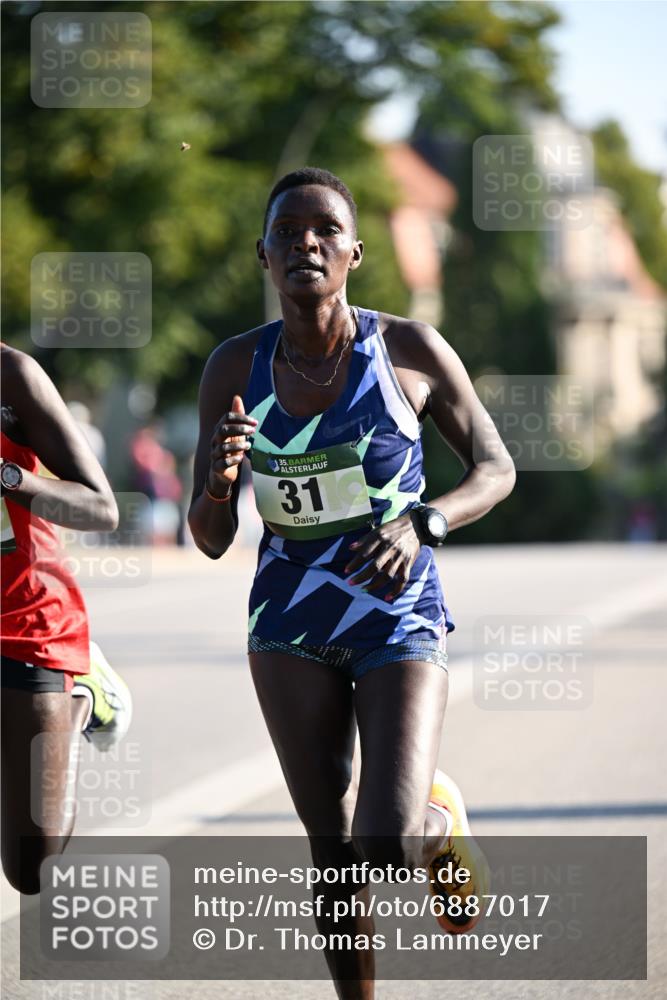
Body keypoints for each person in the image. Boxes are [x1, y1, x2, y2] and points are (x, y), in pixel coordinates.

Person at [188, 168, 515, 998]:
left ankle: (435, 825)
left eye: (324, 229)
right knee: (331, 851)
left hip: (397, 609)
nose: (306, 241)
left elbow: (494, 467)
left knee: (387, 843)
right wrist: (221, 482)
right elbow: (210, 535)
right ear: (263, 255)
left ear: (354, 253)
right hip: (287, 616)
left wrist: (425, 521)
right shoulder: (233, 366)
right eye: (287, 231)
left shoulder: (408, 349)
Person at [1, 344, 132, 895]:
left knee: (32, 865)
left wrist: (12, 479)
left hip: (26, 617)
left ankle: (84, 696)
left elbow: (101, 508)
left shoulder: (12, 376)